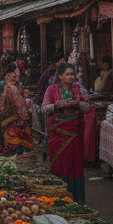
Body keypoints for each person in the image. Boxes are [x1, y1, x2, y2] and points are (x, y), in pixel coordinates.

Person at [43, 62, 92, 203]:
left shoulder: (78, 88)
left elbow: (87, 107)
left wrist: (77, 103)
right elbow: (44, 108)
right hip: (58, 135)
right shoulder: (52, 89)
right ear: (60, 76)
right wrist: (58, 105)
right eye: (67, 74)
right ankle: (59, 198)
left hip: (75, 134)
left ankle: (77, 199)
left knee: (75, 165)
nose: (71, 77)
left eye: (72, 74)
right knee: (59, 164)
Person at [0, 64, 33, 153]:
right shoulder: (12, 88)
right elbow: (21, 111)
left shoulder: (7, 87)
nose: (18, 75)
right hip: (14, 125)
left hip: (7, 122)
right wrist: (29, 113)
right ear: (12, 74)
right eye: (16, 72)